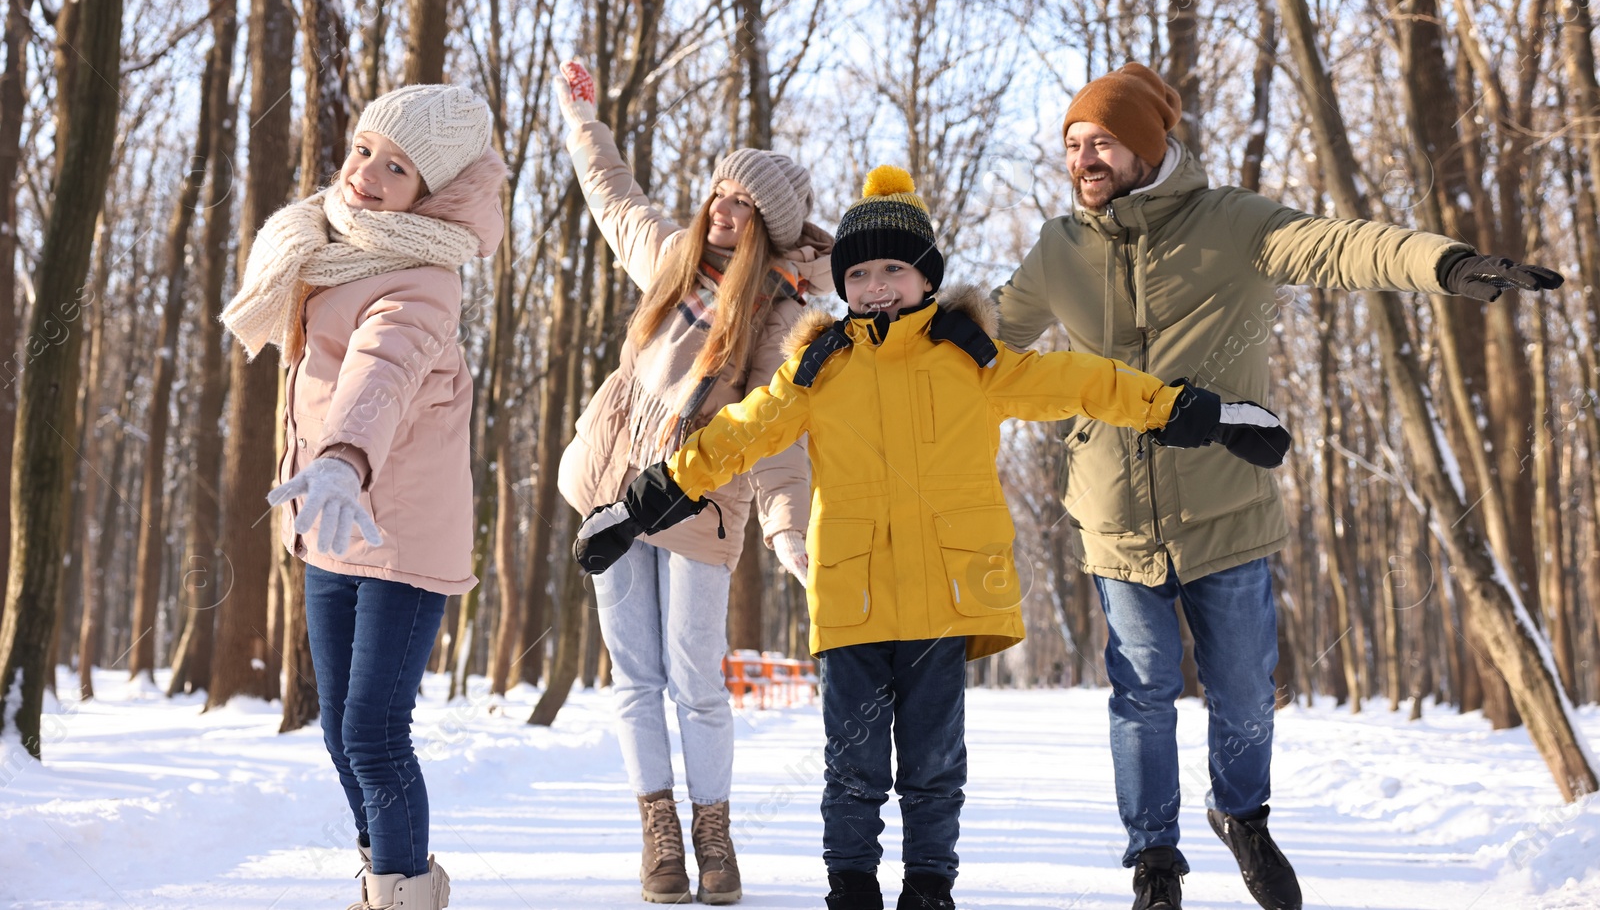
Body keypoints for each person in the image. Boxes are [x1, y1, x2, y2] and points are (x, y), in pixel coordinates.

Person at [571, 166, 1291, 910]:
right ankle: (850, 887)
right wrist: (640, 503)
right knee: (851, 769)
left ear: (925, 277)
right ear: (843, 285)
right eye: (859, 273)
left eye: (893, 269)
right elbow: (735, 437)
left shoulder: (970, 360)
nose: (876, 286)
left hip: (944, 604)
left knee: (934, 767)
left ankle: (928, 888)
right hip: (851, 602)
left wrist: (1201, 413)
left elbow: (1085, 382)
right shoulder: (817, 370)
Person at [991, 63, 1564, 910]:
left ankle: (1242, 812)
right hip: (1114, 513)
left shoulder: (1231, 221)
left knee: (1245, 687)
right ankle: (1154, 856)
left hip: (1225, 499)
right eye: (1073, 144)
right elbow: (983, 344)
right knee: (1141, 690)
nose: (1084, 158)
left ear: (1147, 148)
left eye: (1102, 141)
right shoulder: (1058, 249)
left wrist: (1444, 263)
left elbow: (1338, 246)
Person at [552, 60, 831, 904]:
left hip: (701, 502)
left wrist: (789, 532)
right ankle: (659, 832)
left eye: (741, 203)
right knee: (634, 677)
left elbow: (778, 435)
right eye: (719, 193)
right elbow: (613, 194)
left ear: (766, 226)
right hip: (611, 487)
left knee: (694, 677)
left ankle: (715, 831)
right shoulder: (671, 260)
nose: (722, 208)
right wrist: (581, 118)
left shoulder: (779, 313)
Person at [220, 84, 505, 910]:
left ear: (432, 191)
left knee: (374, 732)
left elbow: (383, 371)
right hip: (331, 523)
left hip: (403, 538)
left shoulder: (425, 278)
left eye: (398, 166)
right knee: (341, 733)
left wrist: (343, 454)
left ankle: (406, 893)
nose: (368, 174)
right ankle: (387, 873)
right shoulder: (326, 245)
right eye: (365, 150)